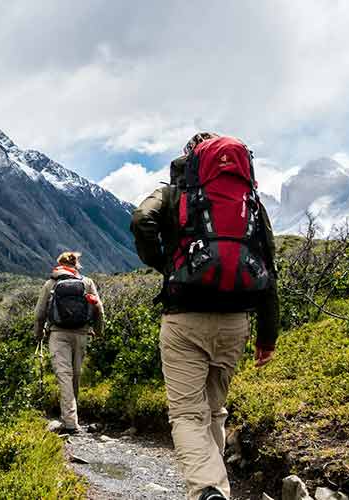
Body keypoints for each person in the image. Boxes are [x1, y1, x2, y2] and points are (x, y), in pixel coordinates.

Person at [130, 132, 280, 500]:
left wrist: (164, 262)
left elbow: (140, 220)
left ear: (191, 160)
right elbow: (267, 265)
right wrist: (267, 336)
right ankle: (218, 489)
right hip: (235, 322)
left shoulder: (173, 194)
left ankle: (207, 490)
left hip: (185, 319)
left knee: (185, 415)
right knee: (214, 409)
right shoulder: (250, 203)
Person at [34, 251, 104, 434]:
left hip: (58, 334)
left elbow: (39, 313)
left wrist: (39, 334)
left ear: (59, 264)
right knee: (76, 375)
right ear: (77, 265)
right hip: (81, 334)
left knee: (64, 375)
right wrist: (98, 330)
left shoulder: (51, 283)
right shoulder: (86, 282)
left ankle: (70, 422)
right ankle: (72, 416)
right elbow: (99, 309)